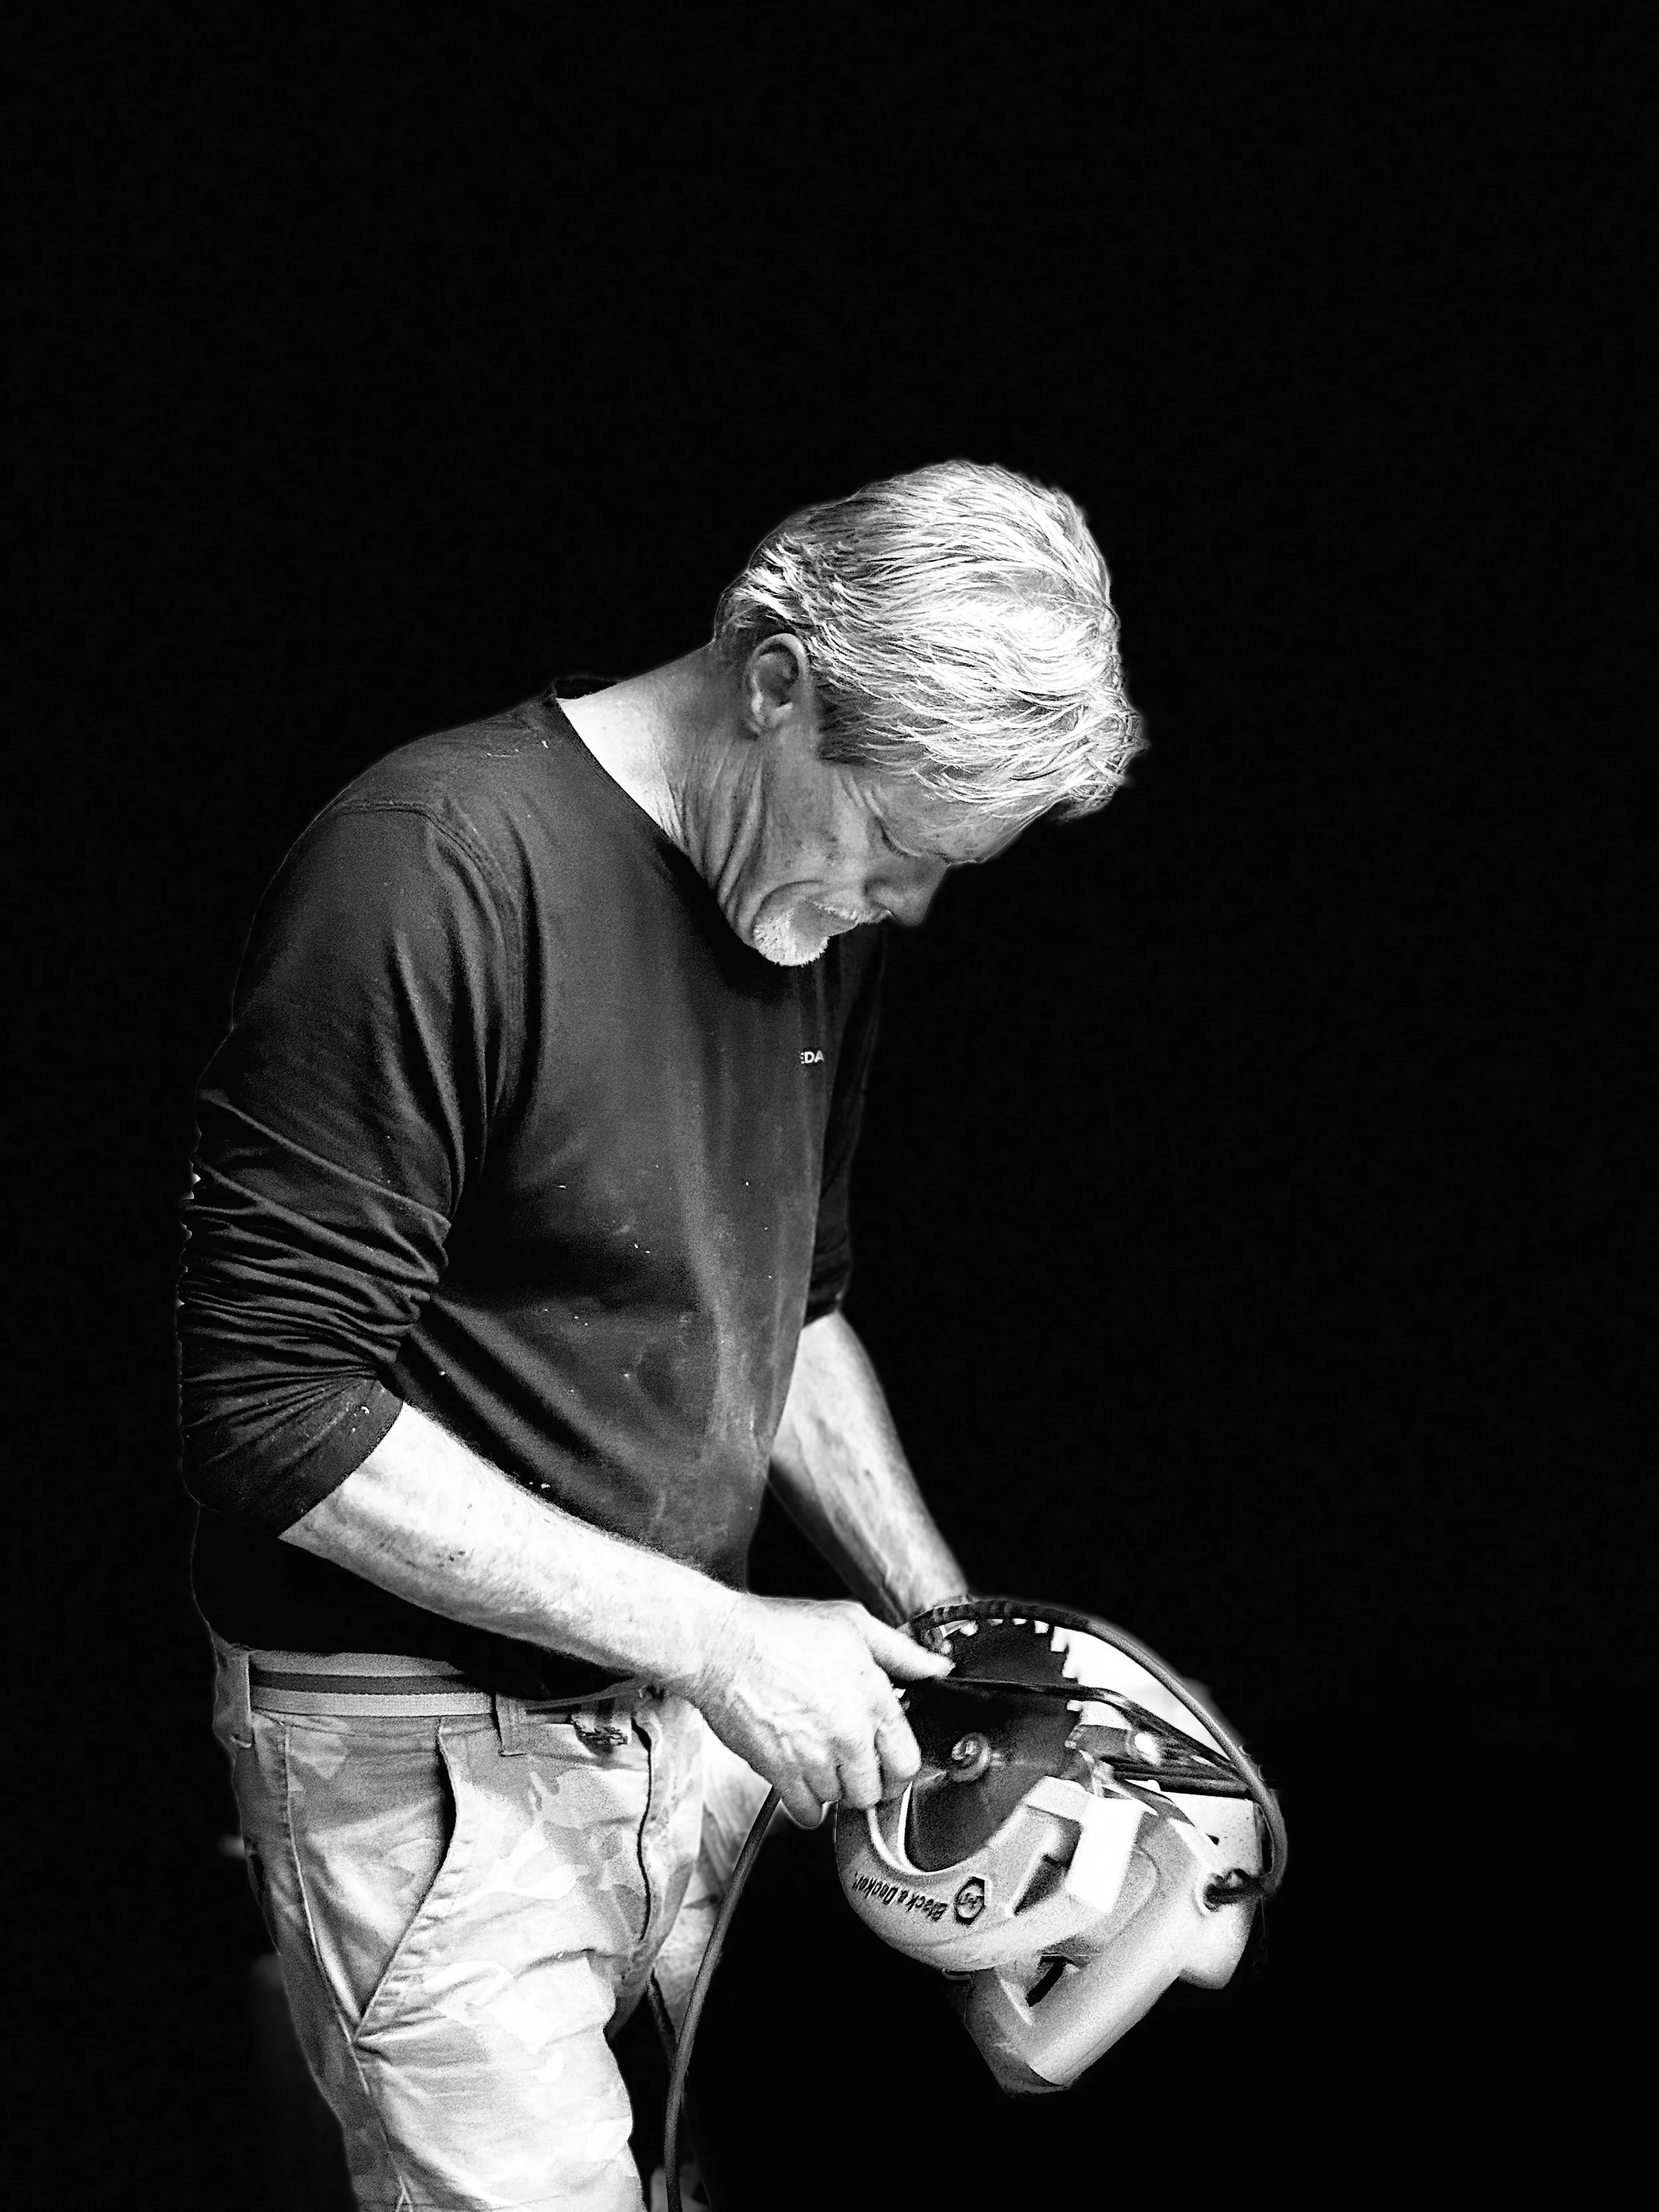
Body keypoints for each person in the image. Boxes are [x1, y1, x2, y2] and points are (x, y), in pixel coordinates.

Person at [177, 458, 1143, 2210]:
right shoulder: (434, 865)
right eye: (897, 847)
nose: (906, 907)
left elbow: (788, 1305)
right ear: (771, 680)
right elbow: (263, 1406)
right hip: (420, 1755)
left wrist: (954, 1635)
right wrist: (719, 1633)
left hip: (697, 1719)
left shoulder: (805, 910)